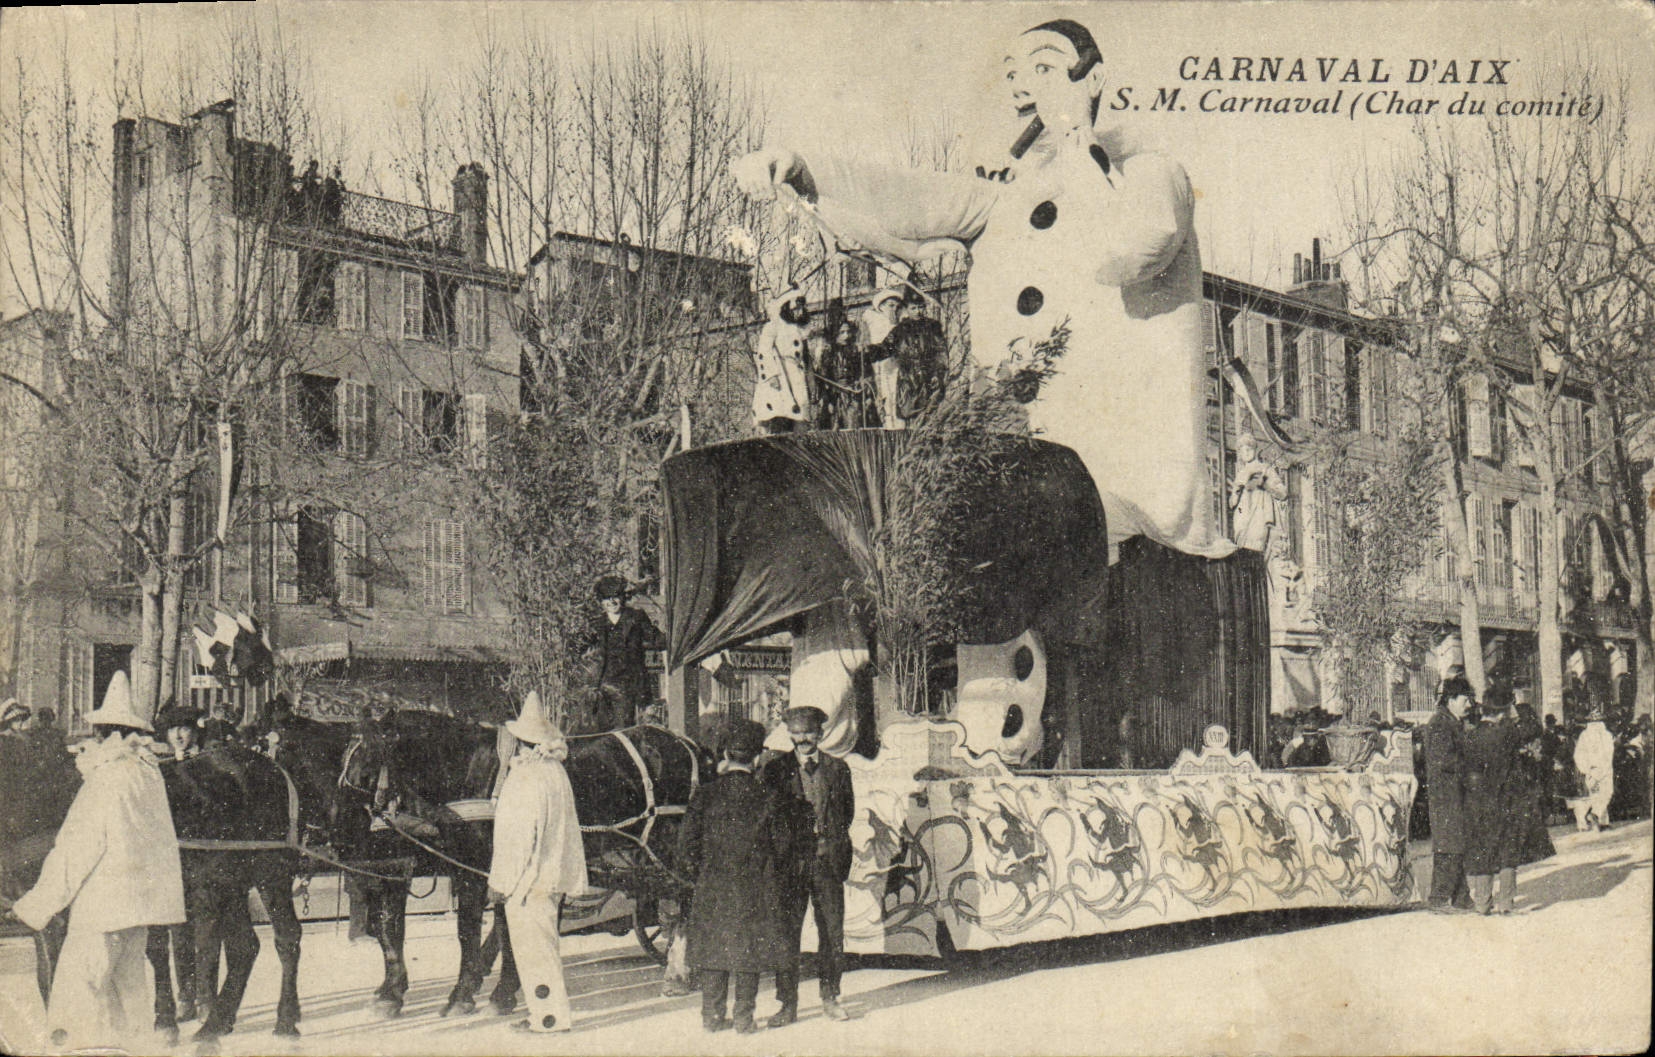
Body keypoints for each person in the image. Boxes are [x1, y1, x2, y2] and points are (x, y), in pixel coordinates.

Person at [732, 18, 1230, 561]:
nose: (1023, 87)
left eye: (1043, 68)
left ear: (1093, 80)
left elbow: (1134, 247)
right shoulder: (1003, 201)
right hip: (1023, 490)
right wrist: (805, 171)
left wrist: (1074, 137)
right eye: (1015, 74)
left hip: (1134, 513)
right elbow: (910, 197)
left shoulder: (1152, 173)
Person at [5, 671, 186, 1051]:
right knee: (130, 1005)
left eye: (98, 732)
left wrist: (32, 906)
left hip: (101, 913)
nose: (92, 740)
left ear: (108, 734)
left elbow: (75, 851)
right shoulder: (148, 776)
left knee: (77, 1005)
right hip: (139, 913)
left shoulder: (105, 780)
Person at [679, 719, 799, 1034]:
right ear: (757, 758)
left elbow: (686, 845)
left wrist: (701, 874)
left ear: (726, 755)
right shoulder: (769, 796)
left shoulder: (704, 795)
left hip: (713, 884)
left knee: (713, 948)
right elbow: (784, 847)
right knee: (750, 950)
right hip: (756, 885)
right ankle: (744, 1018)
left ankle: (712, 1016)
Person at [488, 691, 589, 1034]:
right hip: (552, 875)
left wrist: (500, 883)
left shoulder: (525, 777)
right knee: (544, 948)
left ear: (520, 742)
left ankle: (548, 1019)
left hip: (527, 881)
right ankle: (543, 1013)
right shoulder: (556, 774)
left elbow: (517, 839)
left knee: (535, 953)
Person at [760, 706, 855, 1025]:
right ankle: (788, 1005)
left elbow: (846, 813)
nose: (802, 739)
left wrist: (832, 844)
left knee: (831, 932)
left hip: (827, 863)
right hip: (791, 866)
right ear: (790, 735)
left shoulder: (838, 769)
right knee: (787, 934)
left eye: (809, 733)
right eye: (797, 733)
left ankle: (831, 996)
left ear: (821, 734)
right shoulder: (776, 770)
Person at [1494, 696, 1555, 914]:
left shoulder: (1505, 724)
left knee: (1504, 846)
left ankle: (1493, 899)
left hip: (1510, 792)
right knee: (1509, 846)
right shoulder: (1511, 727)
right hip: (1516, 792)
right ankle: (1504, 900)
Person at [1422, 677, 1476, 913]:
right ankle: (1439, 898)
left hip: (1454, 794)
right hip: (1446, 795)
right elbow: (1443, 760)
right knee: (1449, 846)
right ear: (1452, 699)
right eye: (1465, 700)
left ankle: (1461, 897)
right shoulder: (1439, 724)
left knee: (1457, 844)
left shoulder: (1451, 722)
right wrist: (1471, 764)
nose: (1469, 705)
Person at [1461, 697, 1517, 914]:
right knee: (1506, 851)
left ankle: (1482, 902)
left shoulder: (1470, 736)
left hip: (1478, 801)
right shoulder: (1506, 736)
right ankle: (1506, 902)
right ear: (1501, 713)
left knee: (1482, 850)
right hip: (1503, 799)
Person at [591, 575, 656, 731]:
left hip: (627, 686)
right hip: (601, 686)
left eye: (615, 597)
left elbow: (655, 639)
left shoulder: (636, 618)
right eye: (607, 598)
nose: (612, 602)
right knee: (599, 731)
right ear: (601, 601)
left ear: (622, 597)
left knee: (622, 731)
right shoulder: (596, 624)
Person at [753, 289, 814, 434]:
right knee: (780, 411)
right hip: (781, 374)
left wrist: (810, 379)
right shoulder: (773, 325)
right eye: (796, 307)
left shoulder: (800, 329)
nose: (799, 311)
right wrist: (771, 375)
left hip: (797, 375)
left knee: (800, 415)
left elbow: (805, 357)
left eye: (801, 307)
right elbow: (764, 351)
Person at [1573, 708, 1615, 831]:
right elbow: (1608, 754)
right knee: (1605, 793)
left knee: (1596, 795)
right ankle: (1596, 815)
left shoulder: (1584, 735)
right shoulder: (1606, 735)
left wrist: (1586, 770)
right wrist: (1598, 771)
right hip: (1603, 769)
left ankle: (1602, 822)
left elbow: (1578, 755)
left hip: (1592, 770)